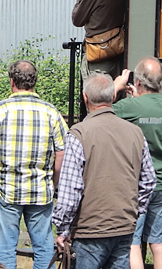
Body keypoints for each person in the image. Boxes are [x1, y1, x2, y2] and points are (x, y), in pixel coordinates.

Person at [52, 73, 156, 269]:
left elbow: (70, 191)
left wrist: (62, 228)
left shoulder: (78, 134)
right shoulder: (136, 133)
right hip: (123, 228)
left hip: (88, 232)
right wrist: (134, 211)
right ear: (113, 98)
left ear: (85, 98)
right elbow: (149, 181)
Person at [0, 61, 68, 269]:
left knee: (4, 248)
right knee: (44, 247)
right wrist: (54, 182)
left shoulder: (1, 110)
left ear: (11, 82)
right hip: (40, 192)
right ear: (35, 81)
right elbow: (62, 151)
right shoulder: (51, 112)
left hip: (7, 190)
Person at [112, 58, 162, 269]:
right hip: (161, 185)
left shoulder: (127, 107)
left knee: (132, 243)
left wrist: (116, 86)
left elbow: (97, 111)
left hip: (137, 186)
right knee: (158, 242)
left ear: (138, 82)